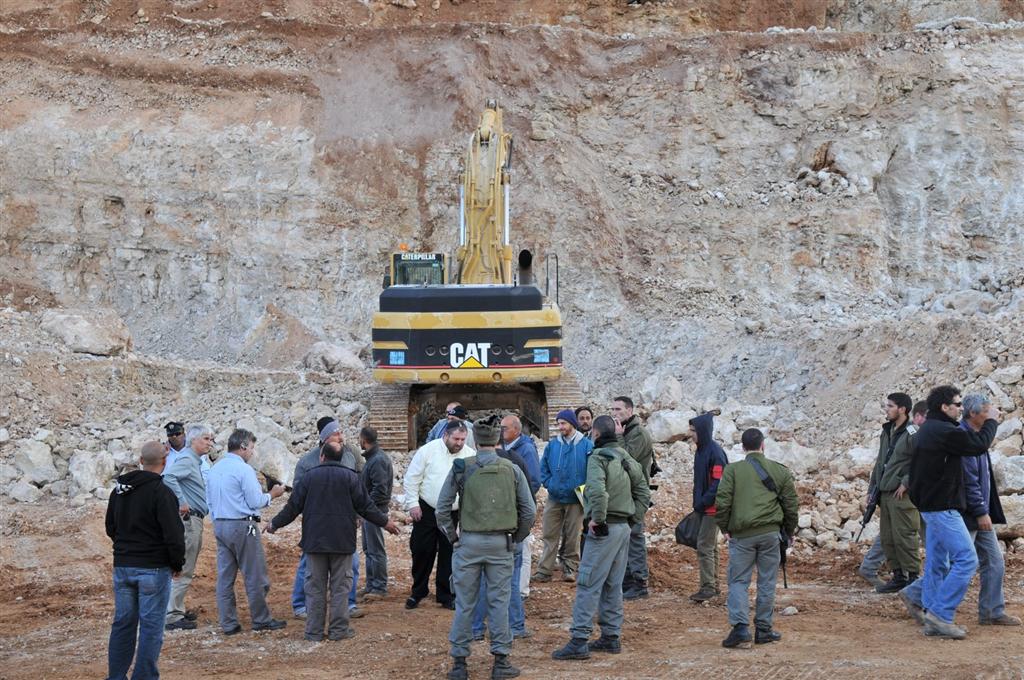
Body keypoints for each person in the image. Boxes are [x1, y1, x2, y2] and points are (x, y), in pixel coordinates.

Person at [900, 394, 1020, 629]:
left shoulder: (963, 434)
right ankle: (929, 605)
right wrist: (980, 511)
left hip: (972, 510)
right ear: (974, 414)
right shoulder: (958, 437)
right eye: (987, 411)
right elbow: (969, 481)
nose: (993, 414)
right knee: (956, 561)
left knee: (993, 562)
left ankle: (991, 611)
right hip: (966, 512)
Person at [268, 441, 400, 641]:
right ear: (341, 459)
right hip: (342, 543)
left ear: (322, 456)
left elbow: (292, 508)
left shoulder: (309, 478)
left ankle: (313, 632)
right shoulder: (351, 478)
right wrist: (386, 523)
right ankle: (338, 630)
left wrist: (274, 524)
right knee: (340, 588)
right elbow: (366, 507)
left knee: (315, 588)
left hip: (315, 543)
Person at [439, 416, 536, 680]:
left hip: (468, 543)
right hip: (501, 544)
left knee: (465, 604)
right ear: (497, 439)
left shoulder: (462, 467)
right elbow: (529, 510)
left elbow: (442, 509)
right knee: (499, 603)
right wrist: (516, 537)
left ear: (475, 440)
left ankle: (459, 664)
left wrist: (453, 538)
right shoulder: (511, 468)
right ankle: (501, 661)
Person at [551, 415, 649, 661]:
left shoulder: (597, 458)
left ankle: (579, 639)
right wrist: (632, 519)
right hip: (623, 528)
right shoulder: (627, 458)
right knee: (612, 584)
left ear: (595, 434)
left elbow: (597, 491)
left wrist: (599, 520)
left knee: (588, 583)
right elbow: (643, 491)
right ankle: (611, 636)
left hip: (605, 529)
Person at [106, 441, 185, 680]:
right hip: (153, 568)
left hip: (123, 566)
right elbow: (174, 535)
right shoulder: (162, 493)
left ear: (141, 461)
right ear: (164, 463)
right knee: (151, 628)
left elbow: (111, 527)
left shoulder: (119, 491)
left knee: (123, 624)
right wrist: (177, 564)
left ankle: (116, 677)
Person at [715, 428, 799, 649]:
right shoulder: (780, 471)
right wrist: (789, 532)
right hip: (771, 534)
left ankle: (741, 629)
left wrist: (724, 527)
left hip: (742, 536)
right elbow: (791, 506)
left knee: (738, 581)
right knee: (766, 582)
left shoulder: (732, 471)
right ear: (763, 445)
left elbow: (722, 502)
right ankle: (763, 629)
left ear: (743, 447)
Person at [206, 428, 286, 634]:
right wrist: (273, 494)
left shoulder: (215, 468)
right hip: (242, 525)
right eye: (251, 447)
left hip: (220, 524)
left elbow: (210, 501)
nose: (252, 452)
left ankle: (229, 622)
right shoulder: (243, 470)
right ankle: (261, 619)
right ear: (242, 447)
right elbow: (255, 501)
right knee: (255, 575)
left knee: (225, 577)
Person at [472, 415, 539, 641]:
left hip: (480, 535)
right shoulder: (516, 461)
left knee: (481, 582)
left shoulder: (472, 464)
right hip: (511, 534)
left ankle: (476, 629)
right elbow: (529, 504)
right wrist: (521, 534)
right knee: (511, 582)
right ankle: (516, 627)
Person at [291, 418, 361, 619]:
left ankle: (349, 603)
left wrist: (357, 515)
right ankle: (300, 604)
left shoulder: (349, 456)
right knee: (308, 565)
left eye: (341, 432)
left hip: (344, 524)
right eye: (335, 433)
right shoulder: (306, 462)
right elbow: (298, 495)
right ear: (324, 439)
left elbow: (357, 489)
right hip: (317, 525)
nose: (340, 436)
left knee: (351, 565)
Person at [403, 420, 475, 609]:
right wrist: (412, 504)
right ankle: (418, 591)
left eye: (462, 439)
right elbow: (412, 478)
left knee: (449, 553)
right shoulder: (428, 450)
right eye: (456, 438)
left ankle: (445, 595)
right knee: (421, 550)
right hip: (426, 510)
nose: (459, 443)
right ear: (445, 435)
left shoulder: (470, 455)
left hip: (453, 513)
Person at [162, 423, 213, 631]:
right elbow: (169, 477)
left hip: (194, 518)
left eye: (211, 439)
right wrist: (182, 502)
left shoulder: (194, 460)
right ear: (194, 440)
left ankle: (175, 610)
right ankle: (172, 615)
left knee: (185, 566)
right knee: (185, 567)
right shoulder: (187, 459)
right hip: (190, 520)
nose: (210, 443)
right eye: (206, 439)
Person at [534, 409, 592, 583]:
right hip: (555, 497)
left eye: (563, 423)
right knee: (549, 534)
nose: (560, 427)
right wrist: (550, 484)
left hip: (576, 499)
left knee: (572, 535)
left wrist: (583, 490)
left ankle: (569, 568)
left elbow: (593, 470)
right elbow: (543, 468)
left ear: (571, 424)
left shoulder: (587, 446)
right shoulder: (553, 445)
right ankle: (545, 570)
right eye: (558, 423)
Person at [871, 393, 921, 594]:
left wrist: (906, 483)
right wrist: (872, 489)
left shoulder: (912, 432)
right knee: (888, 538)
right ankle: (899, 576)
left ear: (903, 409)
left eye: (890, 406)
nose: (886, 409)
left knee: (905, 537)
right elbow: (880, 462)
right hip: (885, 493)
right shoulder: (887, 430)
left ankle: (913, 578)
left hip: (902, 495)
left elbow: (921, 461)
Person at [610, 396, 655, 599]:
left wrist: (618, 437)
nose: (614, 412)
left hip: (636, 494)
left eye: (618, 409)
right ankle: (628, 580)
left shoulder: (638, 434)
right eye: (612, 409)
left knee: (635, 536)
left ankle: (639, 583)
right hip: (625, 492)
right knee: (625, 537)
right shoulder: (628, 431)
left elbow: (626, 460)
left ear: (629, 410)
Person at [688, 412, 729, 602]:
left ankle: (708, 587)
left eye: (693, 430)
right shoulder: (702, 450)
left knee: (704, 545)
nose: (691, 434)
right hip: (705, 506)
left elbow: (718, 483)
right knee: (710, 546)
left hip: (712, 508)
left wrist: (703, 501)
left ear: (702, 431)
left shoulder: (714, 452)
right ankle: (713, 584)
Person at [500, 415, 540, 600]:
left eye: (505, 428)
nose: (501, 432)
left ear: (516, 430)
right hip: (509, 506)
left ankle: (521, 590)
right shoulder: (508, 447)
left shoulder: (526, 450)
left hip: (520, 507)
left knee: (522, 548)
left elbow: (533, 480)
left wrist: (521, 501)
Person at [358, 427, 394, 600]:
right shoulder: (373, 458)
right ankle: (371, 585)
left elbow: (380, 489)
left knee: (375, 550)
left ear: (363, 440)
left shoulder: (377, 460)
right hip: (370, 512)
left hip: (374, 512)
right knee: (369, 549)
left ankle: (379, 587)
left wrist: (367, 507)